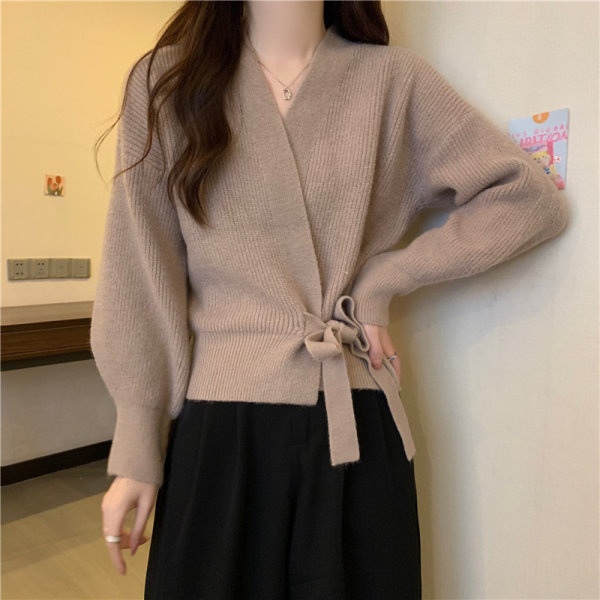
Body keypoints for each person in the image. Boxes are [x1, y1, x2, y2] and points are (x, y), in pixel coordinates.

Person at [91, 1, 568, 598]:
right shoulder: (169, 81)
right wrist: (138, 442)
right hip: (220, 431)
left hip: (355, 421)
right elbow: (141, 266)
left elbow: (527, 200)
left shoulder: (392, 81)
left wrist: (383, 278)